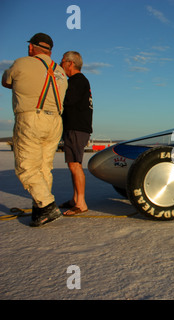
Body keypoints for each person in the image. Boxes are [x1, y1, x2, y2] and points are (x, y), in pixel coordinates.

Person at [1, 33, 68, 227]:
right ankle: (41, 212)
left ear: (31, 47)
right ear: (50, 50)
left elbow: (6, 81)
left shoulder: (22, 63)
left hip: (31, 118)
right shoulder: (60, 71)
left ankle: (47, 205)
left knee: (27, 168)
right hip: (55, 122)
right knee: (44, 168)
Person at [59, 51, 93, 216]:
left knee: (75, 165)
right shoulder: (79, 81)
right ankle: (75, 199)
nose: (60, 65)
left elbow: (66, 101)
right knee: (72, 164)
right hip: (76, 128)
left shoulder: (77, 81)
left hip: (76, 128)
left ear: (70, 63)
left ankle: (81, 203)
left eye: (62, 62)